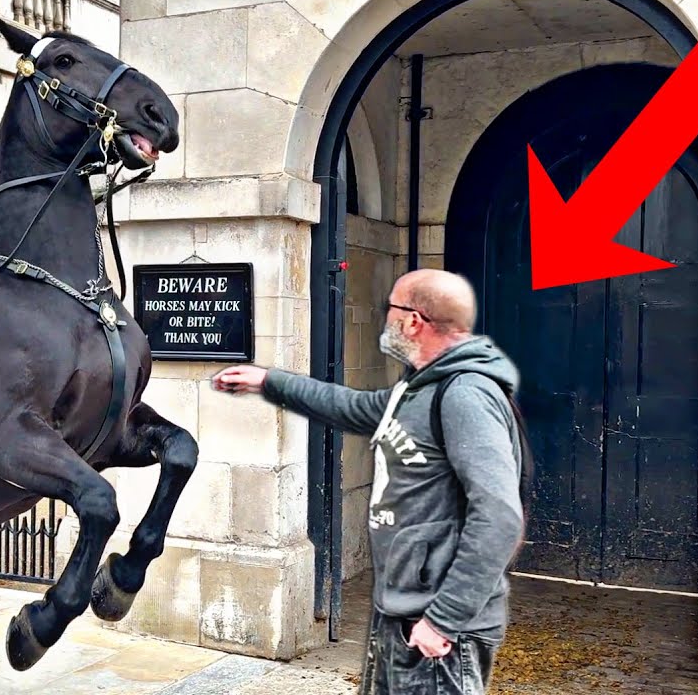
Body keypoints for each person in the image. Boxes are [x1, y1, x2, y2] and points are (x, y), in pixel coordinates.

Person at [213, 269, 525, 694]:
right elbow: (350, 405)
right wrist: (269, 381)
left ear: (414, 320)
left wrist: (444, 619)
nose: (385, 319)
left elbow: (500, 516)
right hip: (402, 614)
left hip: (437, 629)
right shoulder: (416, 389)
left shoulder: (465, 394)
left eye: (391, 308)